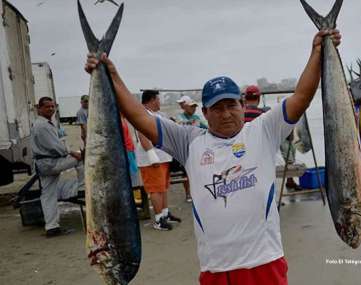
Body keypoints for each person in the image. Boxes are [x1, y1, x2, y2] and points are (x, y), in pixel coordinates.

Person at [85, 29, 341, 285]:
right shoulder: (189, 141)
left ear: (242, 104)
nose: (226, 113)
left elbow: (302, 96)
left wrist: (318, 52)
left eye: (231, 105)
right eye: (217, 108)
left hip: (265, 262)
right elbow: (139, 117)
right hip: (216, 269)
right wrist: (111, 75)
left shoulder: (264, 129)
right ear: (205, 113)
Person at [31, 97, 84, 237]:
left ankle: (51, 227)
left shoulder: (43, 124)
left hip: (43, 164)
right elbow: (57, 147)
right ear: (39, 108)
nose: (51, 109)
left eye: (52, 106)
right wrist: (73, 152)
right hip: (51, 163)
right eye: (47, 107)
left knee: (48, 195)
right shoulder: (42, 126)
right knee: (81, 158)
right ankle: (82, 188)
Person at [135, 90, 181, 231]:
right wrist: (151, 154)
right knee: (155, 189)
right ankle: (158, 219)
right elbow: (142, 135)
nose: (160, 102)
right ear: (152, 100)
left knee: (163, 187)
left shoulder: (157, 115)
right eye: (158, 99)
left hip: (163, 156)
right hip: (152, 159)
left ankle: (165, 214)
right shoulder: (142, 114)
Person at [175, 97, 207, 202]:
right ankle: (188, 194)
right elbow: (180, 126)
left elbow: (206, 126)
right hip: (185, 149)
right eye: (192, 106)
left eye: (194, 106)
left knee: (199, 171)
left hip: (197, 148)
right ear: (185, 106)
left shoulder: (197, 117)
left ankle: (199, 191)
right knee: (186, 173)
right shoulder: (180, 117)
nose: (194, 108)